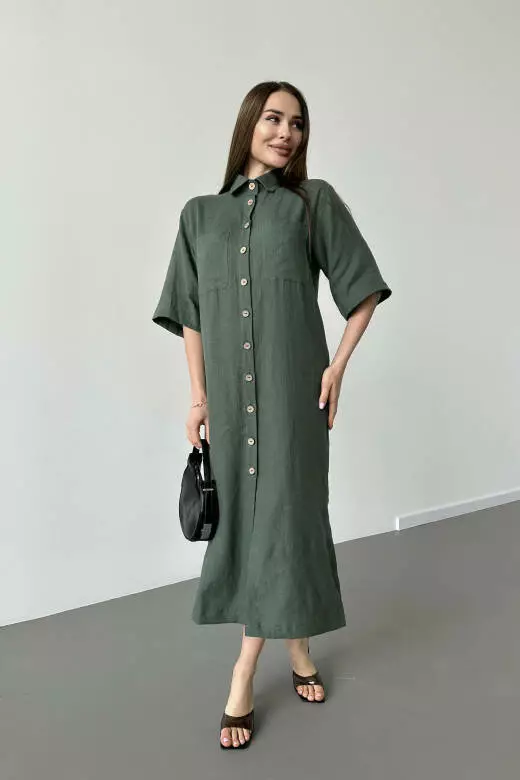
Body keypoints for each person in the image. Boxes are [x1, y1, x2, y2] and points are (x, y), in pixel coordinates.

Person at [152, 80, 392, 750]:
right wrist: (198, 397)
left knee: (289, 520)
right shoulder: (200, 216)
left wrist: (336, 368)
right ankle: (299, 647)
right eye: (273, 119)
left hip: (293, 399)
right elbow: (192, 315)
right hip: (231, 407)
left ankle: (244, 670)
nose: (286, 133)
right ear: (248, 125)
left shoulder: (312, 204)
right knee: (249, 527)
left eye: (298, 123)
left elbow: (361, 289)